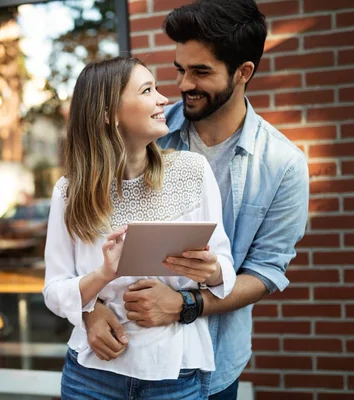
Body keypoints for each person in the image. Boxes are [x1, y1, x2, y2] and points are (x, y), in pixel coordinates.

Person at [82, 1, 310, 399]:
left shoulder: (283, 165)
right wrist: (90, 309)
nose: (184, 84)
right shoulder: (144, 131)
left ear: (243, 73)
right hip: (117, 364)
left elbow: (266, 272)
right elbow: (88, 232)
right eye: (180, 69)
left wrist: (186, 305)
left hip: (215, 364)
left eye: (201, 72)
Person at [43, 56, 236, 400]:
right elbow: (55, 291)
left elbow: (225, 268)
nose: (164, 98)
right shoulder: (69, 191)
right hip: (91, 377)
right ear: (107, 114)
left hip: (174, 377)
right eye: (147, 90)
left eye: (157, 88)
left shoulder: (193, 172)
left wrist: (212, 270)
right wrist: (100, 282)